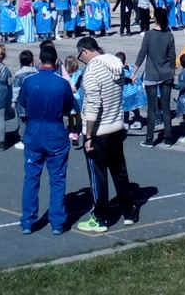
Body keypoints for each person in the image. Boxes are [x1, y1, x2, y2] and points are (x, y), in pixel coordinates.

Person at [75, 35, 136, 233]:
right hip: (116, 125)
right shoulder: (116, 63)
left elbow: (93, 105)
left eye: (80, 56)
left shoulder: (92, 71)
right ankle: (129, 210)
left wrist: (89, 134)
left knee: (98, 175)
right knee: (119, 171)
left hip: (100, 130)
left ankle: (100, 217)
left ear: (85, 52)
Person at [17, 42, 76, 235]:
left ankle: (28, 220)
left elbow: (23, 104)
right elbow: (70, 108)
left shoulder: (30, 81)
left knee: (31, 177)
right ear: (56, 61)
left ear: (39, 61)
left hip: (34, 131)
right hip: (55, 131)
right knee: (57, 178)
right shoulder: (62, 83)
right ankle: (57, 222)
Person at [134, 7, 177, 146]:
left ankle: (149, 139)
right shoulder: (169, 35)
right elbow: (172, 56)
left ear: (155, 18)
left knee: (152, 108)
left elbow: (142, 54)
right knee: (166, 107)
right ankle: (168, 138)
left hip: (152, 74)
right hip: (167, 74)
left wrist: (134, 71)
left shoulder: (149, 34)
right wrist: (172, 73)